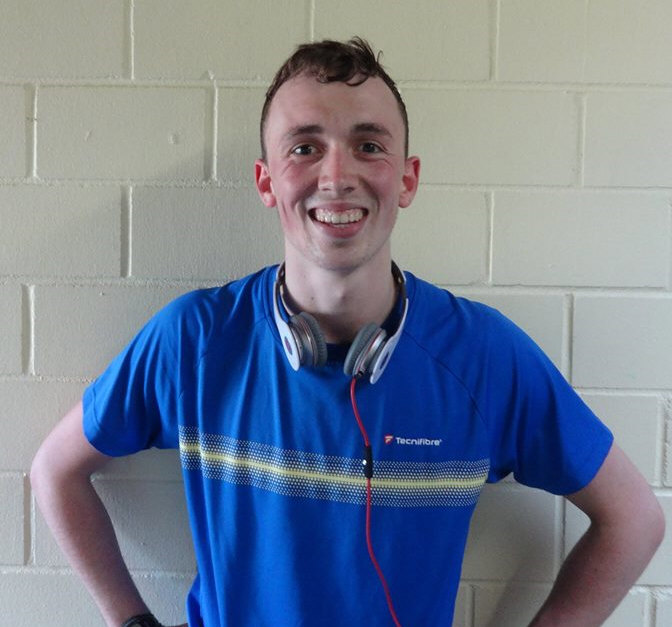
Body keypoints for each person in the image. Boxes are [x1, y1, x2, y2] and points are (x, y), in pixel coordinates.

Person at [31, 38, 664, 627]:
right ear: (267, 181)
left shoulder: (483, 356)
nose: (336, 177)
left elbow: (635, 519)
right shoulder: (193, 341)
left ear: (407, 178)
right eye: (304, 148)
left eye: (368, 145)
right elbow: (55, 471)